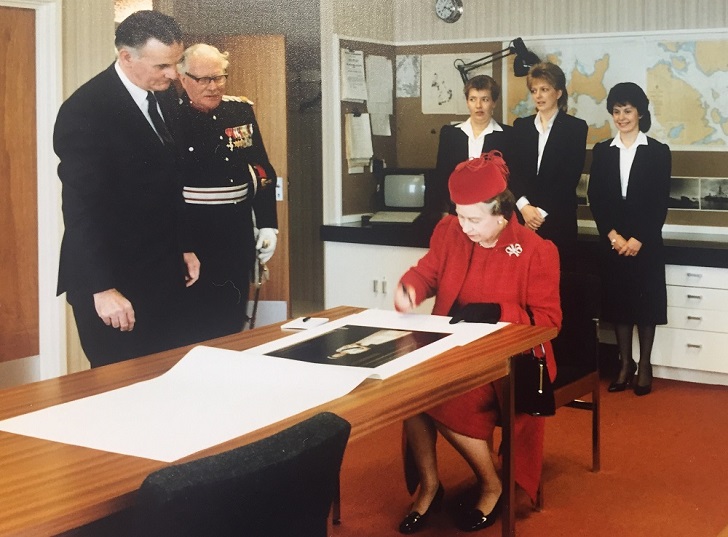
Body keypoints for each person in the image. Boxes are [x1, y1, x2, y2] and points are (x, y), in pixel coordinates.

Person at [394, 151, 561, 533]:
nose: (463, 227)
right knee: (406, 388)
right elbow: (428, 272)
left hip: (513, 359)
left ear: (502, 213)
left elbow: (549, 322)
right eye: (459, 215)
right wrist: (411, 288)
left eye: (473, 219)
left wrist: (499, 311)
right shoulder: (449, 230)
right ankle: (431, 486)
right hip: (455, 347)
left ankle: (492, 484)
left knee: (437, 395)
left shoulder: (538, 251)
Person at [54, 10, 200, 368]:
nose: (173, 74)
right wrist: (101, 289)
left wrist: (185, 247)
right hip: (112, 282)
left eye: (176, 63)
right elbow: (81, 209)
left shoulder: (165, 96)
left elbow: (170, 183)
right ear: (126, 57)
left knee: (168, 381)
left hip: (161, 272)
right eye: (163, 66)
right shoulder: (85, 110)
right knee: (121, 394)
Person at [173, 43, 278, 341]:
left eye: (219, 77)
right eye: (204, 79)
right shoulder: (170, 118)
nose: (213, 86)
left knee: (232, 322)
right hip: (195, 234)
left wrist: (269, 223)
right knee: (196, 325)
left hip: (236, 231)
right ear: (183, 79)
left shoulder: (239, 110)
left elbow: (262, 171)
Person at [588, 82, 671, 396]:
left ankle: (645, 365)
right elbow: (596, 198)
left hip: (645, 242)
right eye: (617, 111)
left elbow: (658, 201)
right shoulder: (602, 151)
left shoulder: (658, 152)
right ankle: (626, 364)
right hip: (613, 241)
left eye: (628, 110)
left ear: (640, 112)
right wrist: (613, 236)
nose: (622, 117)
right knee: (619, 305)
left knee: (645, 306)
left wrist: (637, 239)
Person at [509, 62, 588, 269]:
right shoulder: (521, 126)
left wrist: (539, 215)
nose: (538, 96)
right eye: (534, 90)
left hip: (557, 220)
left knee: (556, 286)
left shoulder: (575, 128)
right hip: (522, 219)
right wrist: (524, 207)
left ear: (558, 92)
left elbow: (569, 177)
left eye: (544, 89)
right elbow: (513, 172)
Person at [431, 75, 512, 215]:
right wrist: (442, 211)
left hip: (493, 213)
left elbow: (511, 179)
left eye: (485, 99)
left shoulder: (508, 135)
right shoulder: (450, 134)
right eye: (473, 99)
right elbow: (441, 176)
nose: (478, 106)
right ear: (467, 102)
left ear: (494, 102)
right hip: (458, 211)